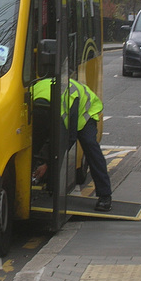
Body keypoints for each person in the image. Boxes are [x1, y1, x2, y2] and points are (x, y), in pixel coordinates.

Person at [31, 78, 113, 212]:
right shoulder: (33, 95)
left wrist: (47, 164)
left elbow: (69, 138)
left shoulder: (66, 105)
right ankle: (47, 182)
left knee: (90, 146)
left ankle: (105, 196)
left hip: (85, 113)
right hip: (59, 111)